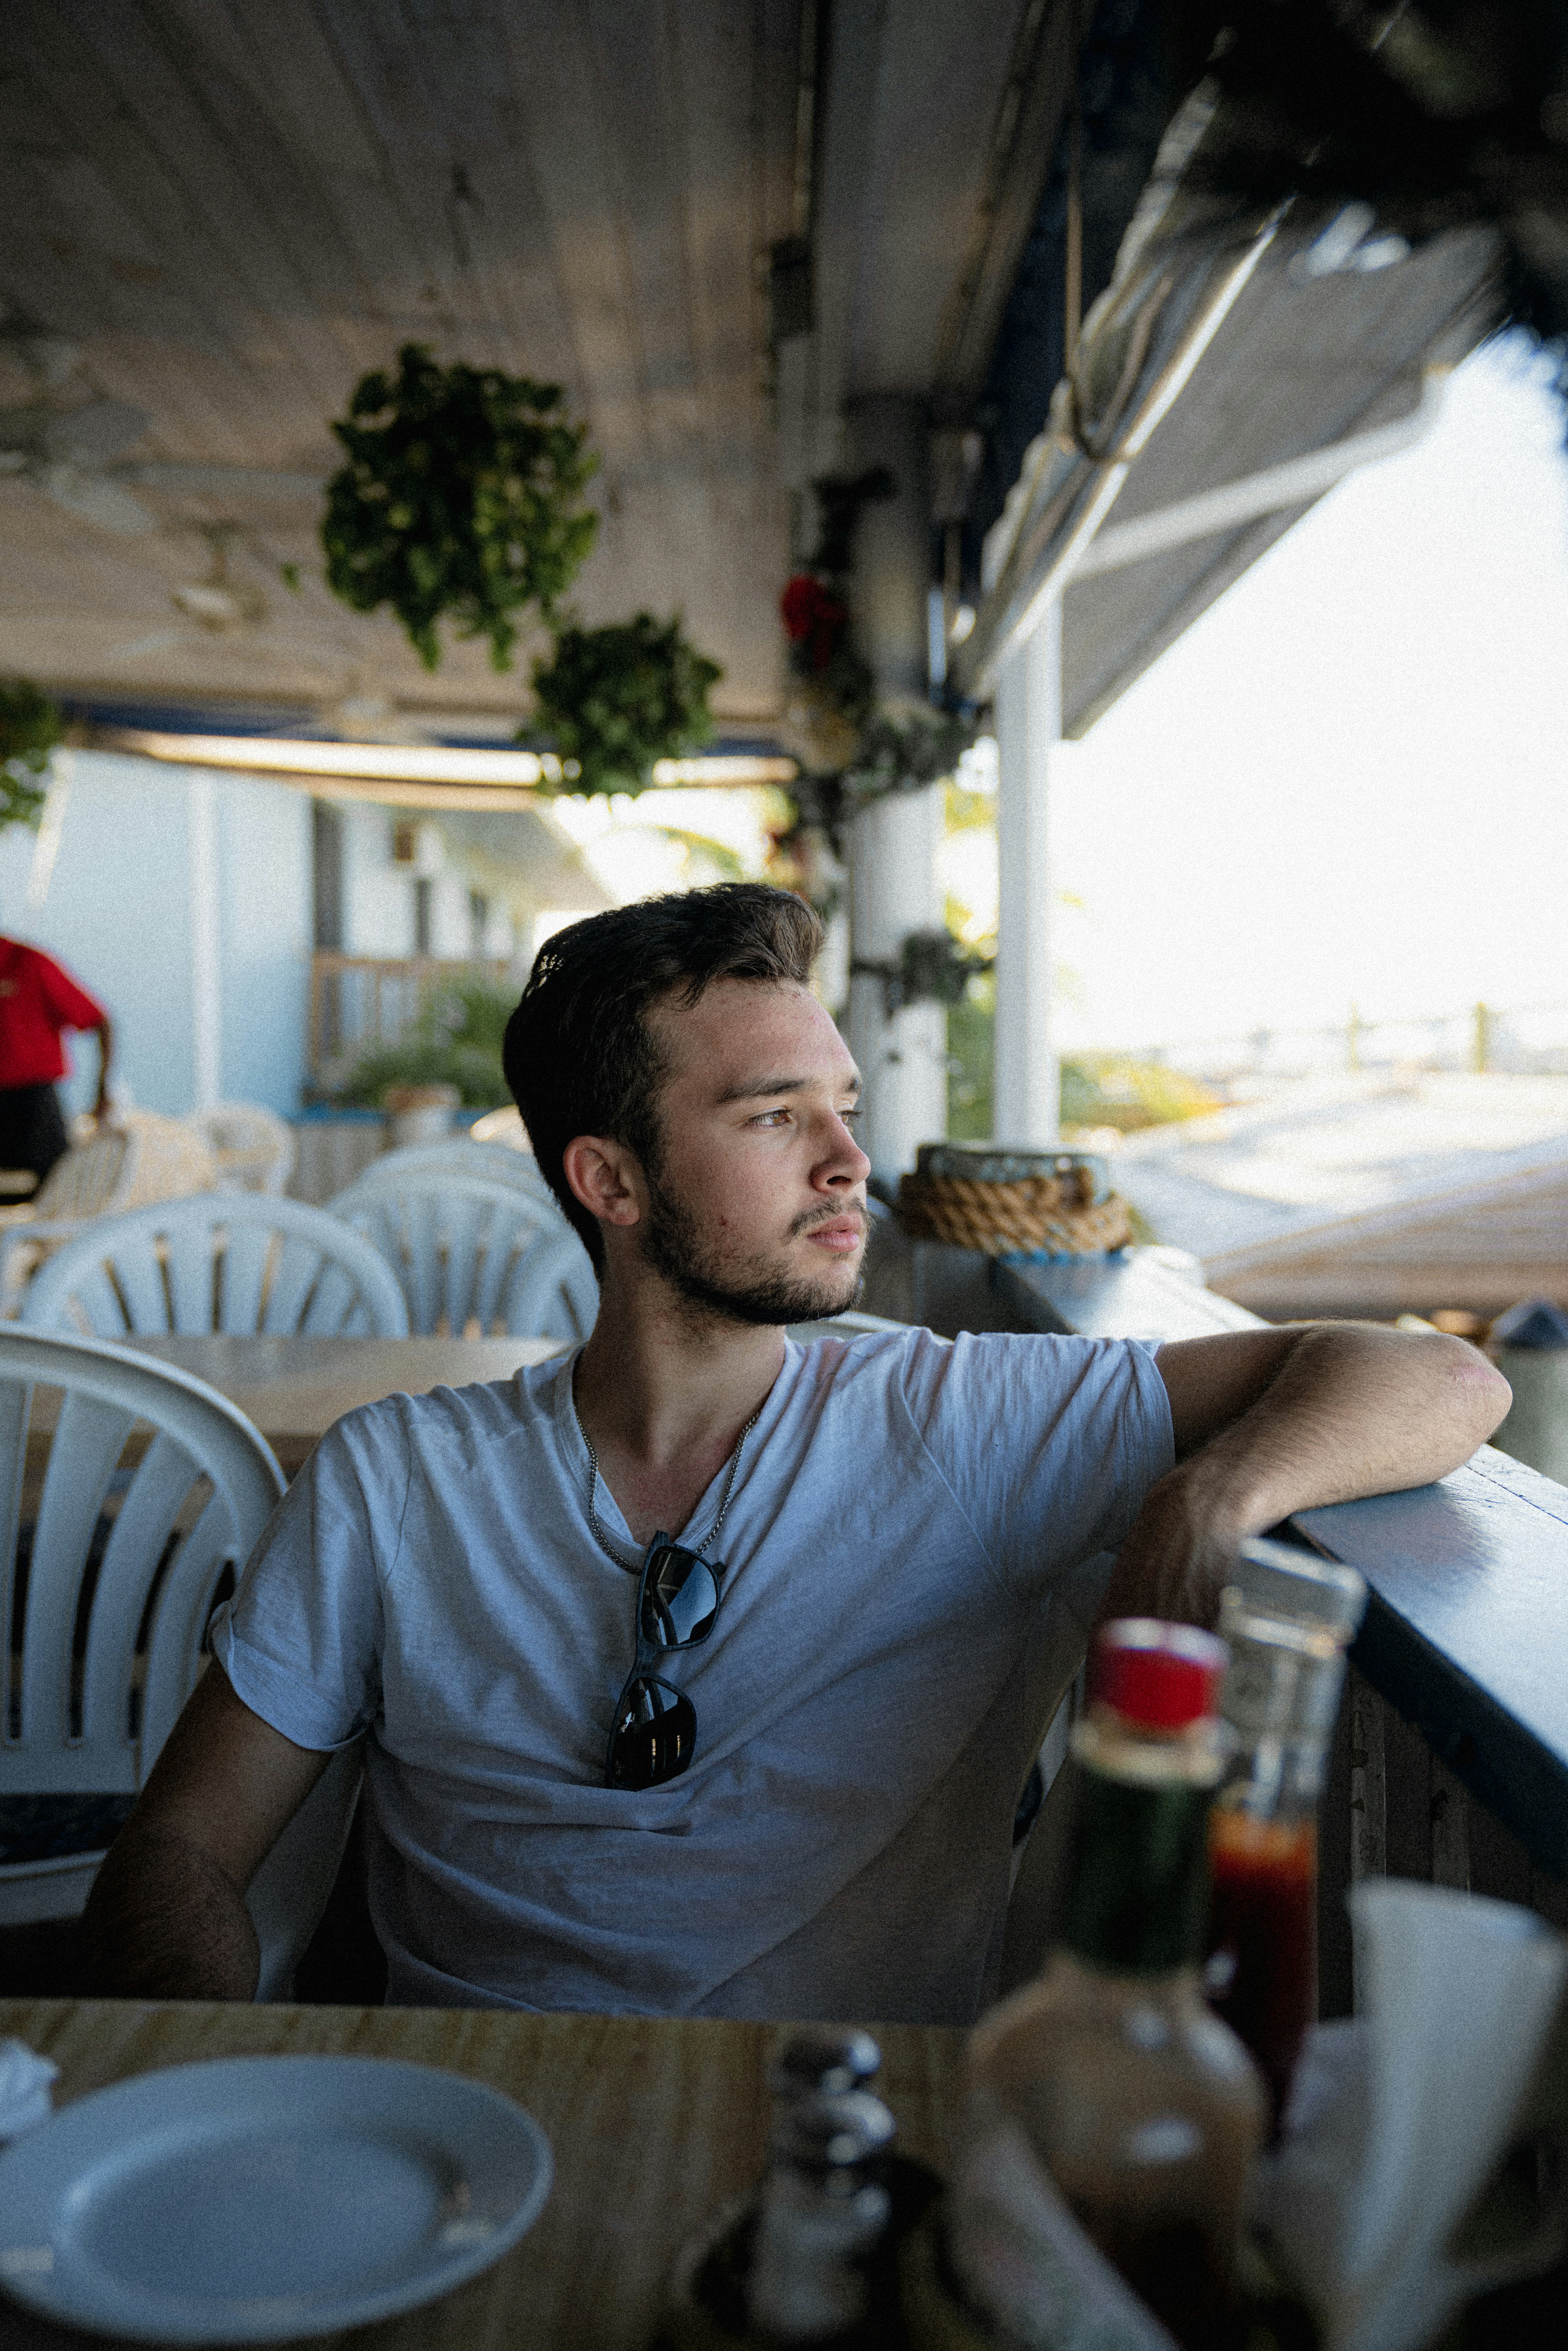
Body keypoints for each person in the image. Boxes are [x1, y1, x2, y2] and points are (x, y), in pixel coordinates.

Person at [82, 886, 1507, 2018]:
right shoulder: (397, 1480)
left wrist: (1213, 1498)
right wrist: (204, 2060)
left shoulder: (957, 1423)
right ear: (609, 1180)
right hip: (456, 2122)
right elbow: (180, 1852)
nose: (848, 1166)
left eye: (843, 1111)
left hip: (828, 2138)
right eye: (775, 1119)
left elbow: (1433, 1375)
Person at [0, 933, 113, 1185]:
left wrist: (102, 1090)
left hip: (32, 1103)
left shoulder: (29, 963)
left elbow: (99, 1021)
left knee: (53, 1186)